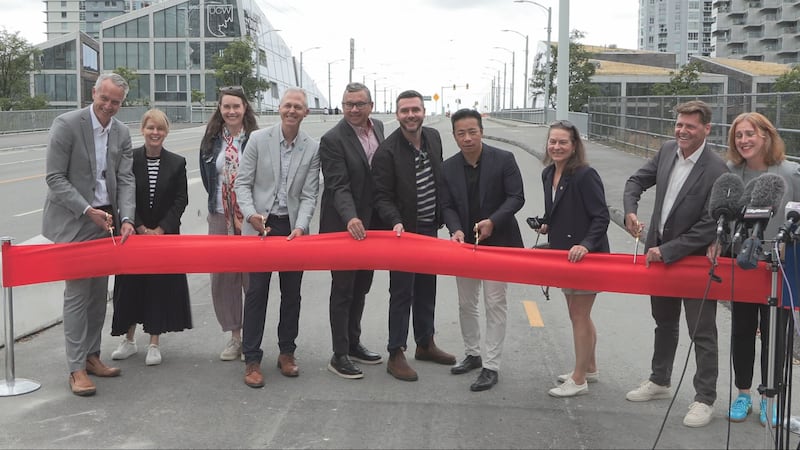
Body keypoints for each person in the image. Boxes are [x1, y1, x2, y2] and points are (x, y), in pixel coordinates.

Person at [623, 100, 728, 427]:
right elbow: (635, 181)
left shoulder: (716, 170)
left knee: (702, 332)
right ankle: (660, 381)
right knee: (664, 323)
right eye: (679, 124)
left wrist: (667, 250)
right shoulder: (667, 150)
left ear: (707, 129)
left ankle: (704, 398)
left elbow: (710, 225)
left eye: (690, 126)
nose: (682, 131)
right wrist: (630, 210)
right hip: (659, 255)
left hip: (694, 264)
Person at [42, 72, 136, 396]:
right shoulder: (67, 125)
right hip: (74, 219)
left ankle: (93, 355)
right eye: (104, 99)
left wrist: (127, 219)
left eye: (116, 103)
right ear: (93, 92)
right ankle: (76, 368)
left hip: (105, 221)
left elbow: (125, 179)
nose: (109, 106)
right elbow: (54, 177)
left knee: (99, 294)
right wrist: (86, 210)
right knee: (78, 294)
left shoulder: (121, 132)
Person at [707, 112, 800, 426]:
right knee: (742, 331)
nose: (743, 141)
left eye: (749, 134)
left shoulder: (791, 173)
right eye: (738, 136)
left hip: (780, 267)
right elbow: (720, 216)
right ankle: (743, 393)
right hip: (743, 265)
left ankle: (769, 398)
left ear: (766, 135)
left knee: (775, 336)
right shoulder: (732, 174)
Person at [234, 88, 320, 388]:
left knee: (291, 293)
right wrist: (250, 214)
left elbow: (309, 194)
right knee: (256, 292)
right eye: (287, 105)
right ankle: (252, 358)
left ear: (305, 112)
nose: (292, 111)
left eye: (298, 107)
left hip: (292, 229)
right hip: (261, 226)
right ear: (279, 108)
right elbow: (242, 184)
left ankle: (287, 352)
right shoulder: (258, 140)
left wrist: (302, 224)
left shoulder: (311, 147)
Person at [372, 89, 456, 382]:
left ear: (424, 111)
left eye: (416, 110)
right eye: (405, 111)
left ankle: (425, 342)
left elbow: (439, 180)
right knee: (402, 291)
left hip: (429, 229)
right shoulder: (387, 152)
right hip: (403, 234)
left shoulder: (433, 137)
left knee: (427, 287)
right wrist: (394, 221)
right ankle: (396, 352)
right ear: (397, 115)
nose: (411, 115)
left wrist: (447, 218)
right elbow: (381, 197)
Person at [439, 108, 525, 392]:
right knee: (466, 303)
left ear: (481, 132)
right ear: (453, 135)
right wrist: (456, 229)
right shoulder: (448, 167)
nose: (467, 138)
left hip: (499, 243)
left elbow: (516, 197)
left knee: (494, 303)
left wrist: (493, 221)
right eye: (461, 133)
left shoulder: (504, 159)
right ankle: (473, 353)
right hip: (465, 245)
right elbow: (447, 205)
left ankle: (491, 365)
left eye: (472, 132)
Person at [109, 108, 192, 367]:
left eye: (160, 128)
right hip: (133, 234)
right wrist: (139, 225)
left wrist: (161, 229)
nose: (155, 133)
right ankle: (128, 339)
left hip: (164, 238)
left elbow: (181, 200)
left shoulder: (177, 163)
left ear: (166, 132)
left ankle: (154, 343)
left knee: (159, 287)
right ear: (142, 130)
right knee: (131, 287)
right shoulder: (130, 159)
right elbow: (124, 193)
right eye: (150, 128)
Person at [537, 120, 610, 398]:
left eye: (562, 142)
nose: (556, 147)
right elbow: (557, 210)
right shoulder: (548, 174)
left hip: (586, 256)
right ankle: (589, 366)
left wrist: (586, 245)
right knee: (577, 314)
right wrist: (545, 223)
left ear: (574, 145)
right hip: (563, 254)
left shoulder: (585, 175)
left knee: (579, 314)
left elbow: (601, 216)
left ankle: (578, 379)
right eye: (552, 141)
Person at [319, 82, 386, 379]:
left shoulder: (379, 128)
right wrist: (350, 217)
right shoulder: (332, 139)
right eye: (348, 104)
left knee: (362, 286)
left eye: (359, 104)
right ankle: (339, 354)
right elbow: (337, 184)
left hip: (371, 226)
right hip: (344, 226)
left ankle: (354, 343)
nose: (353, 109)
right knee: (343, 290)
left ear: (370, 106)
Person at [199, 85, 259, 361]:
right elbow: (207, 176)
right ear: (220, 109)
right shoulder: (211, 140)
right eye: (226, 107)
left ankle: (251, 338)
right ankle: (234, 336)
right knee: (223, 278)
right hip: (220, 216)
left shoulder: (256, 139)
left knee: (251, 277)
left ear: (245, 108)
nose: (232, 111)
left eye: (236, 106)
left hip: (249, 217)